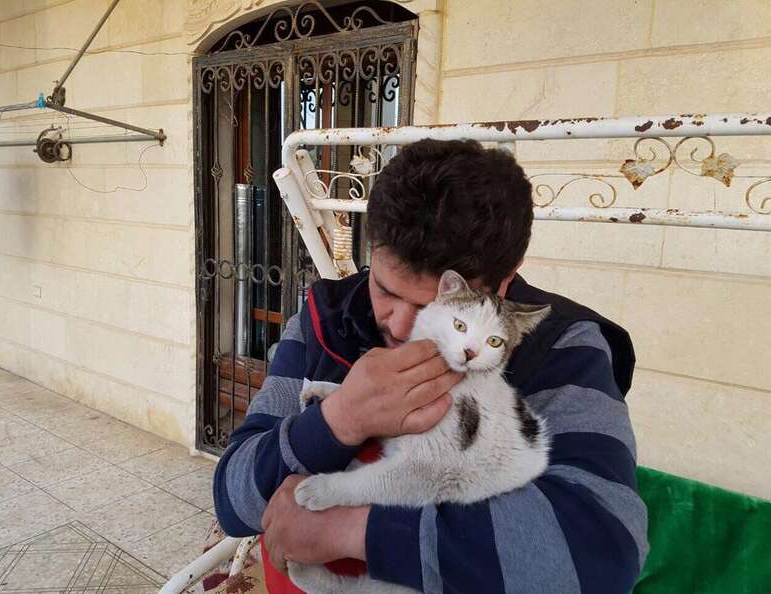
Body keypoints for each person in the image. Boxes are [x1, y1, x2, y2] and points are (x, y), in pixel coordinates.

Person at [213, 139, 649, 593]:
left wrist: (353, 530)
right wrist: (339, 420)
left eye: (432, 306)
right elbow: (232, 501)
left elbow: (605, 556)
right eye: (385, 290)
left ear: (505, 280)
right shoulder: (325, 321)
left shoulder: (561, 347)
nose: (402, 327)